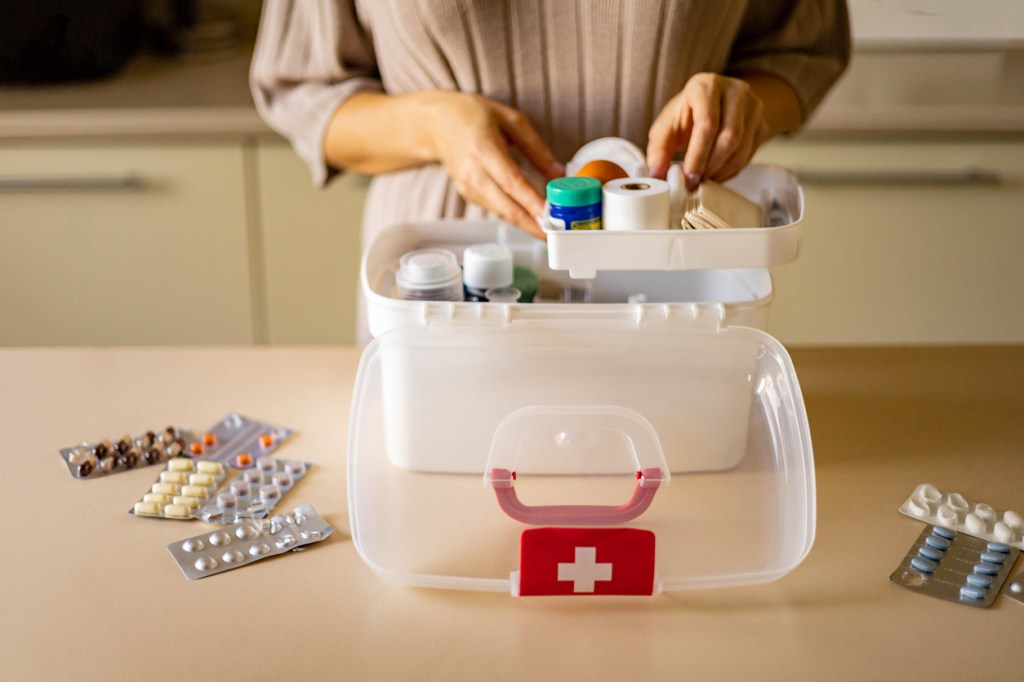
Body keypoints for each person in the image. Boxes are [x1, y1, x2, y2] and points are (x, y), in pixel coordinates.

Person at [250, 1, 850, 336]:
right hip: (441, 288)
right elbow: (300, 88)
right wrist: (433, 125)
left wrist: (738, 105)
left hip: (677, 285)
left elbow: (806, 51)